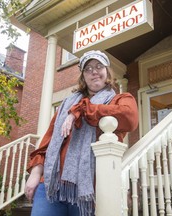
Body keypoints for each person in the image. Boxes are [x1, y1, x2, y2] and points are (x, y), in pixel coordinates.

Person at [24, 50, 139, 216]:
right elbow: (47, 143)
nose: (94, 71)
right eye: (88, 68)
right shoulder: (66, 106)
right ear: (83, 76)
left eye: (99, 66)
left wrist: (82, 110)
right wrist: (35, 174)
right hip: (51, 185)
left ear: (107, 72)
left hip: (88, 189)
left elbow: (130, 118)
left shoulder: (120, 100)